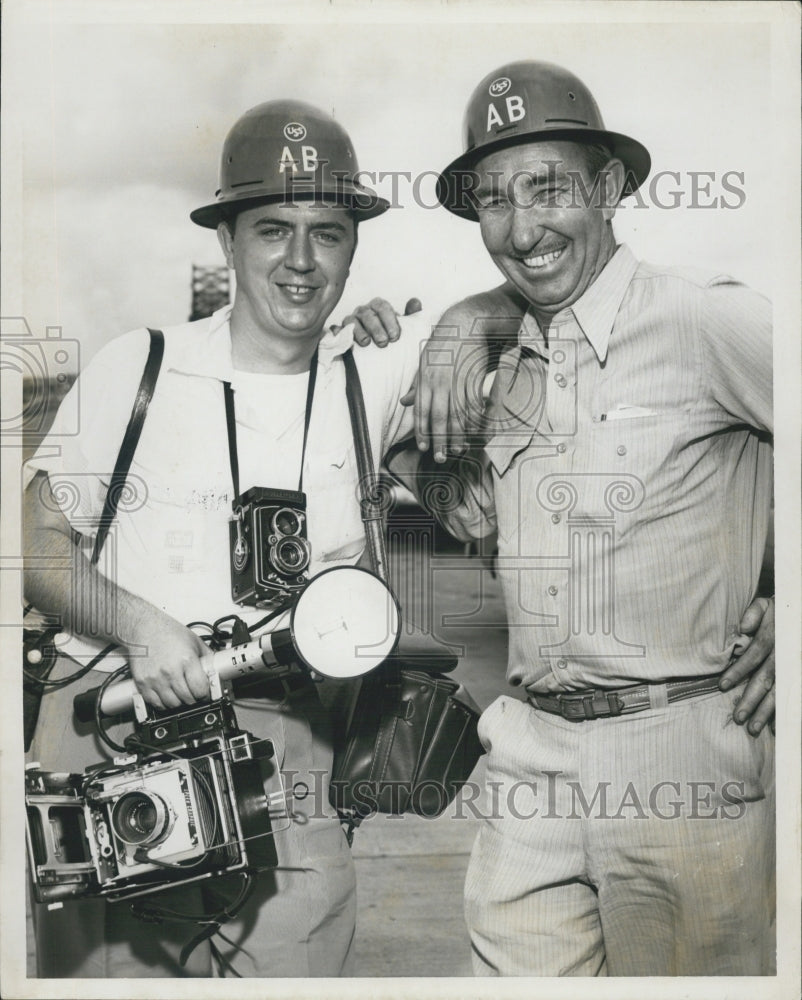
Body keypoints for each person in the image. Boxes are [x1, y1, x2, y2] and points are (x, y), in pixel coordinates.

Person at [351, 60, 775, 976]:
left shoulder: (708, 321)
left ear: (611, 187)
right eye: (495, 200)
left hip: (683, 753)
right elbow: (425, 480)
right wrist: (428, 334)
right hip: (531, 752)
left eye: (550, 189)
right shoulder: (496, 362)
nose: (523, 227)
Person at [22, 99, 427, 978]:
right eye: (272, 229)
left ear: (355, 244)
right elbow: (38, 544)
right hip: (117, 733)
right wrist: (139, 625)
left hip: (290, 752)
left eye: (328, 231)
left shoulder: (379, 377)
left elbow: (504, 336)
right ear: (226, 242)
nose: (301, 259)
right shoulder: (143, 365)